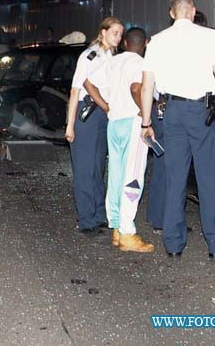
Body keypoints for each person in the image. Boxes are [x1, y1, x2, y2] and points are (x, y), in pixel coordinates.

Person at [140, 0, 215, 259]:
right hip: (201, 111)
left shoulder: (158, 41)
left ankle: (173, 244)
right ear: (193, 11)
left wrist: (146, 122)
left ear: (172, 13)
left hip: (171, 111)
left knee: (175, 178)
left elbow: (147, 85)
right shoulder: (209, 37)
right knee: (208, 178)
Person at [85, 27, 154, 252]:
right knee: (133, 177)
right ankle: (127, 232)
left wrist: (105, 106)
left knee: (115, 174)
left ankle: (115, 226)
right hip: (133, 123)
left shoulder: (112, 61)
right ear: (145, 44)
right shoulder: (141, 63)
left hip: (113, 123)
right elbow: (136, 88)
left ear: (124, 42)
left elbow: (89, 83)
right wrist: (145, 117)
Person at [147, 7, 208, 231]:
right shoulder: (188, 53)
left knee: (166, 168)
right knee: (172, 170)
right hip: (170, 111)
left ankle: (160, 217)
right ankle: (167, 221)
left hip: (163, 110)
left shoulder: (165, 45)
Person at [65, 17, 124, 235]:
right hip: (86, 114)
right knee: (84, 169)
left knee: (98, 168)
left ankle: (99, 214)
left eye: (120, 33)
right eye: (115, 32)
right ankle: (86, 219)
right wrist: (70, 125)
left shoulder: (112, 56)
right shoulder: (90, 56)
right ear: (103, 32)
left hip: (104, 115)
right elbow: (75, 91)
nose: (118, 37)